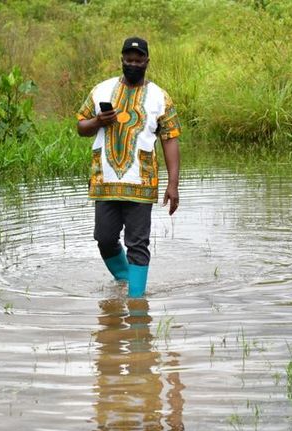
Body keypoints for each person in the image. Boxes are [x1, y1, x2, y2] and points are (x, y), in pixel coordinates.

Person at [76, 36, 181, 297]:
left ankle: (136, 302)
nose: (133, 64)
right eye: (128, 60)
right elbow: (81, 127)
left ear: (147, 62)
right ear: (121, 60)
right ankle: (125, 279)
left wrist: (173, 183)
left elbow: (170, 139)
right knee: (105, 239)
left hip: (141, 182)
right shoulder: (101, 90)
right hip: (105, 181)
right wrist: (99, 121)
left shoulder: (159, 97)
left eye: (138, 60)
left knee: (137, 243)